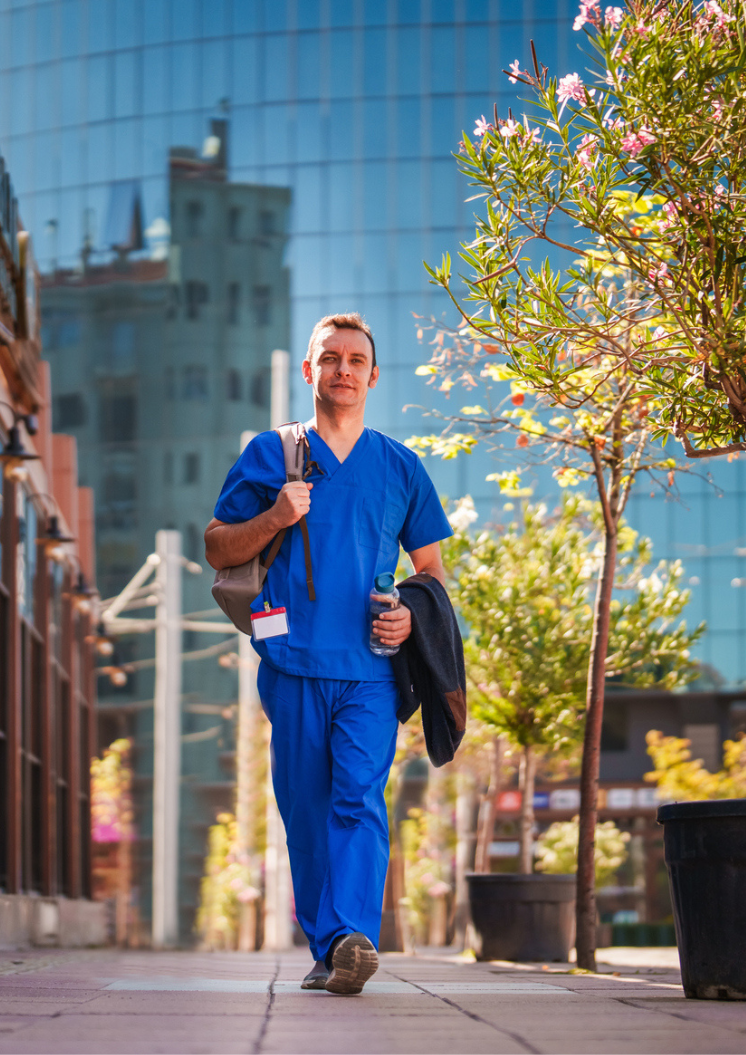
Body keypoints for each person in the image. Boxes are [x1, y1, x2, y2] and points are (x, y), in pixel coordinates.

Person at [207, 313, 452, 995]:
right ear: (310, 371)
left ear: (373, 376)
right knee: (306, 808)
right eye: (331, 357)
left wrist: (409, 614)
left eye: (356, 360)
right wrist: (275, 518)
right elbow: (218, 547)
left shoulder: (401, 466)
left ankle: (350, 935)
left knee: (360, 800)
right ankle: (329, 944)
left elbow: (430, 572)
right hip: (290, 662)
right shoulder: (270, 453)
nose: (343, 369)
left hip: (371, 669)